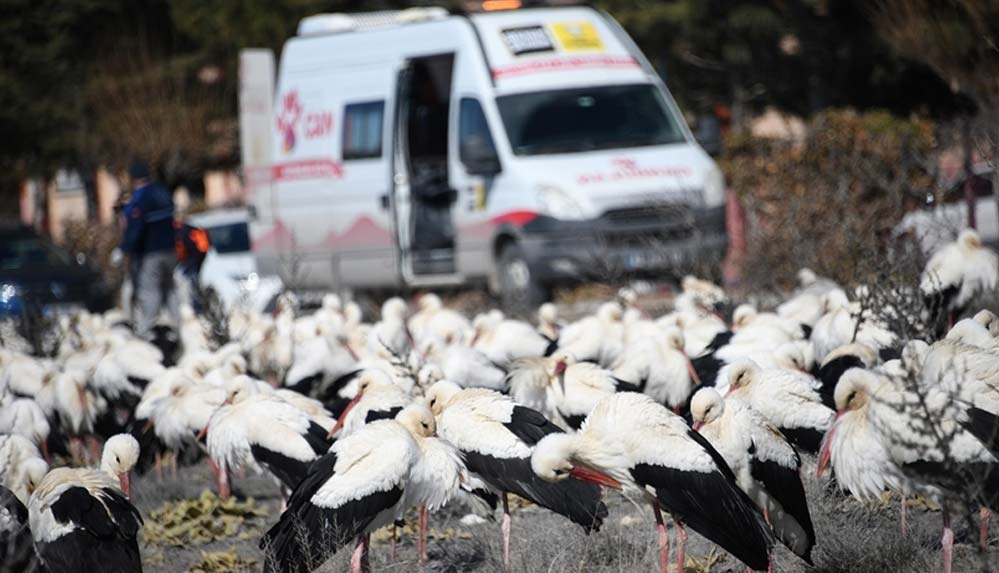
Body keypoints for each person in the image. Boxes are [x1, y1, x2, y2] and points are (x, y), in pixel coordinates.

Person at [120, 159, 178, 339]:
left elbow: (136, 226)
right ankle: (179, 328)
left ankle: (146, 332)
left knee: (149, 291)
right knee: (170, 291)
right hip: (171, 251)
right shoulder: (162, 192)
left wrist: (124, 248)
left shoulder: (140, 198)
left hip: (151, 253)